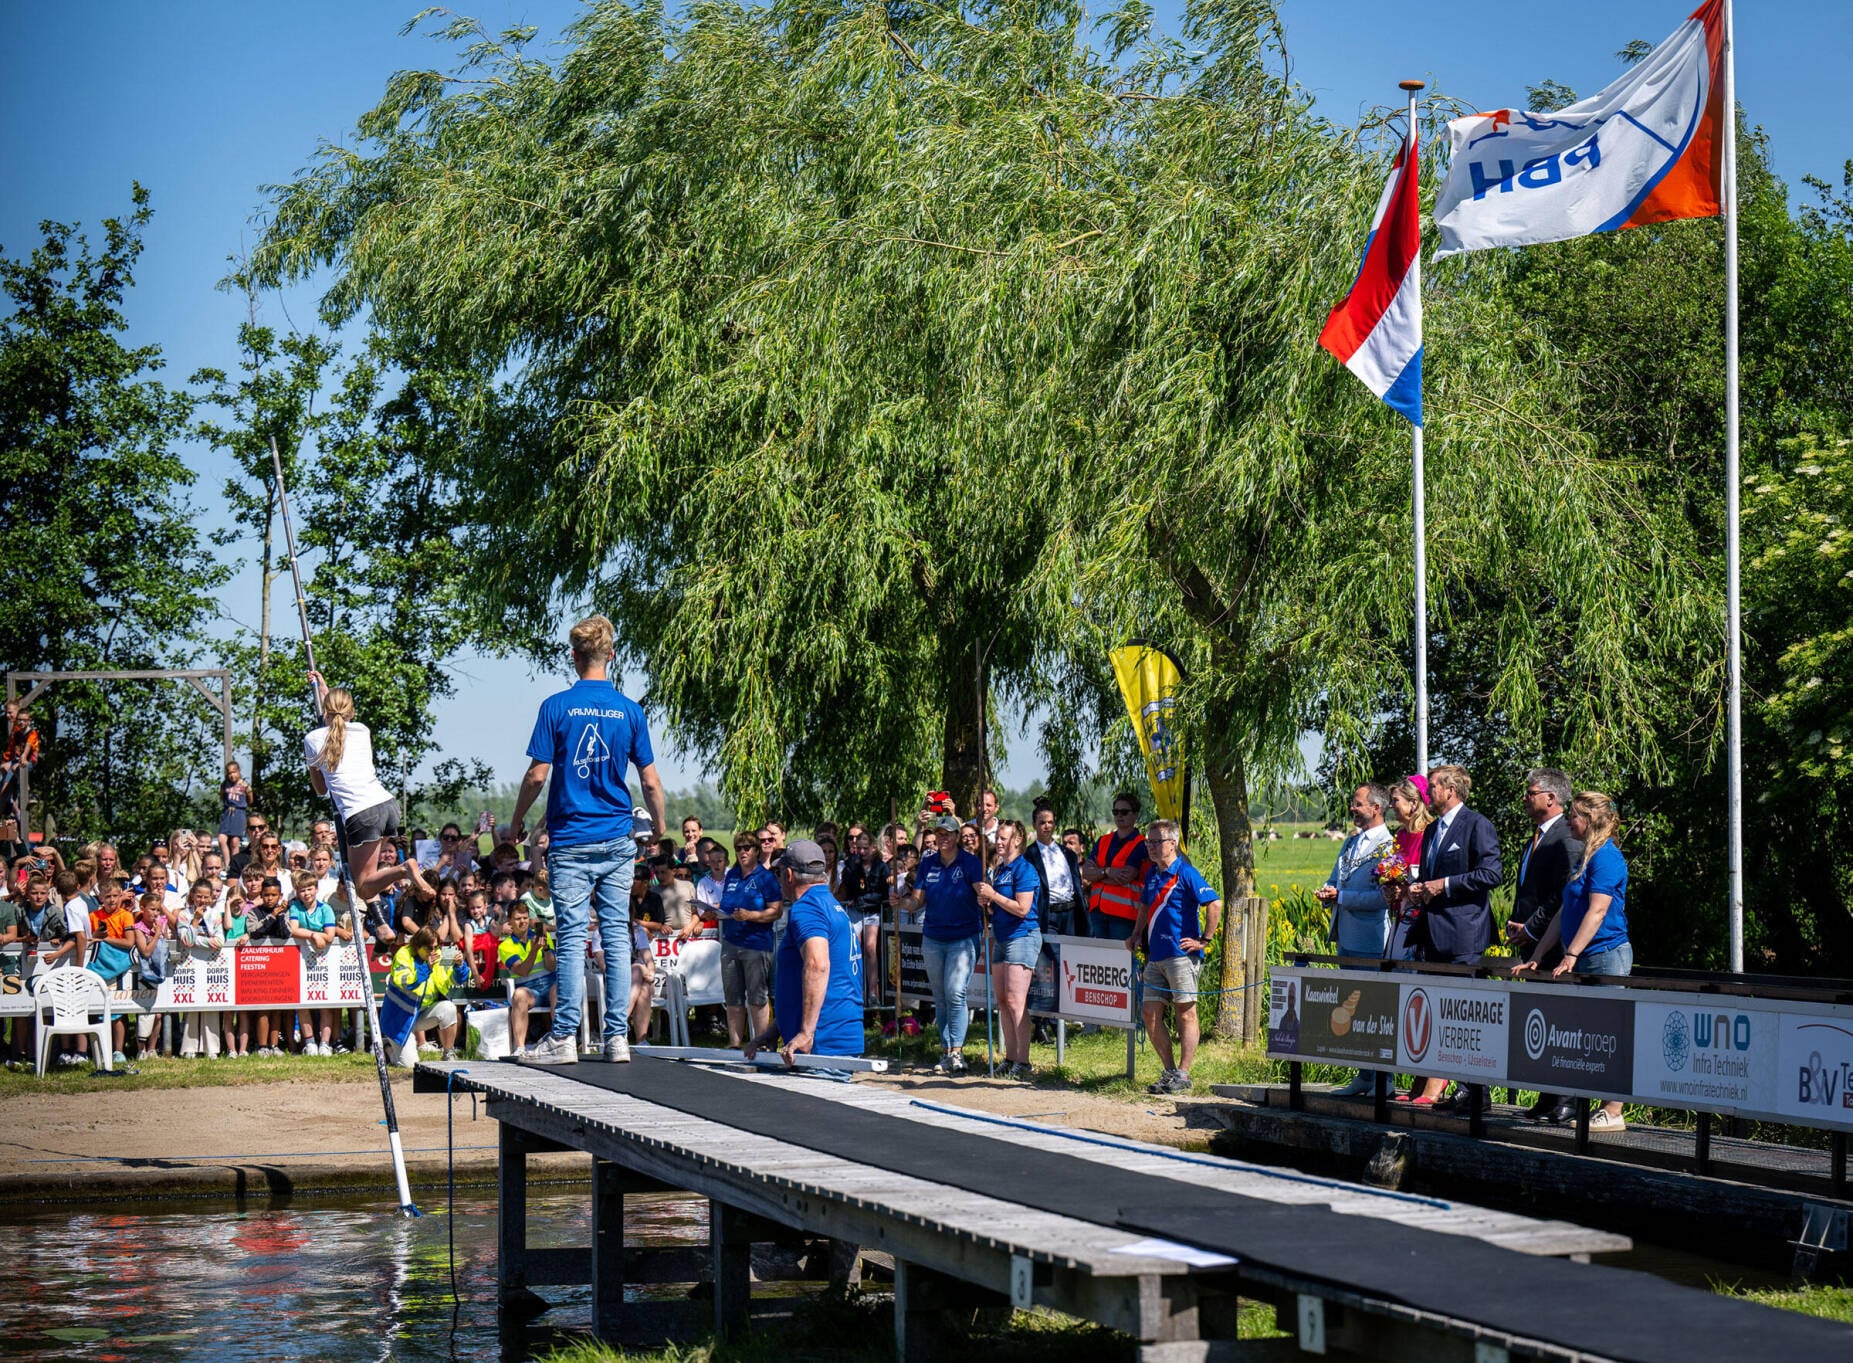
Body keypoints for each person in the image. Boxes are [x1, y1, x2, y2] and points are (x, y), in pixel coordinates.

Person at [511, 614, 668, 1065]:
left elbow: (538, 774)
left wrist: (519, 820)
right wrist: (658, 827)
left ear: (574, 656)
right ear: (612, 654)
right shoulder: (630, 711)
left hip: (572, 839)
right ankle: (617, 1038)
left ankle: (564, 1037)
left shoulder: (556, 707)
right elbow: (651, 782)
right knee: (617, 936)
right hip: (618, 838)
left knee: (573, 935)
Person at [1514, 791, 1631, 1132]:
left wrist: (1571, 954)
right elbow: (1566, 911)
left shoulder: (1607, 858)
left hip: (1606, 955)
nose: (1568, 822)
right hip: (1585, 956)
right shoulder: (1585, 858)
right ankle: (1587, 1104)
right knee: (1586, 1034)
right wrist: (1537, 956)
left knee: (1609, 1033)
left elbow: (1597, 911)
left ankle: (1613, 1109)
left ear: (1590, 821)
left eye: (1574, 817)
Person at [1402, 764, 1503, 1106]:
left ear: (1450, 789)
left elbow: (1491, 873)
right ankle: (1450, 1085)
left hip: (1464, 934)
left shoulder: (1477, 824)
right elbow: (1431, 877)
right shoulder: (1432, 832)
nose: (1426, 794)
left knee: (1465, 1014)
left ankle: (1476, 1091)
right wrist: (1420, 890)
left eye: (1431, 788)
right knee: (1440, 1015)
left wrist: (1443, 886)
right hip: (1432, 935)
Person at [1504, 767, 1583, 1124]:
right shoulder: (1536, 836)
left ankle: (1568, 1098)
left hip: (1554, 947)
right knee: (1543, 1022)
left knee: (1562, 1020)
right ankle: (1547, 1096)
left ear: (1551, 798)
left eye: (1530, 792)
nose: (1525, 797)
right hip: (1532, 944)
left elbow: (1562, 894)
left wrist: (1533, 929)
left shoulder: (1566, 836)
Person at [745, 840, 864, 1062]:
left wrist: (806, 1033)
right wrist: (775, 1030)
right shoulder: (829, 903)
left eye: (779, 873)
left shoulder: (807, 908)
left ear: (789, 875)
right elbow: (799, 980)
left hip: (822, 1045)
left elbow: (817, 966)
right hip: (833, 1039)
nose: (778, 879)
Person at [1128, 819, 1221, 1096]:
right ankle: (1169, 1070)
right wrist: (1136, 934)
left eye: (1157, 842)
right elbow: (1145, 906)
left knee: (1186, 1012)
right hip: (1155, 956)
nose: (1151, 847)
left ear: (1173, 843)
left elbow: (1214, 903)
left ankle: (1184, 1072)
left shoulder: (1186, 873)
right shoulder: (1152, 875)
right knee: (1149, 1014)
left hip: (1182, 956)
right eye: (1149, 842)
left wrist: (1205, 939)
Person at [1313, 784, 1395, 1097]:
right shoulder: (1349, 843)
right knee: (1354, 1011)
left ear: (1376, 808)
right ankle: (1363, 1074)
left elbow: (1384, 898)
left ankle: (1383, 1079)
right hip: (1345, 936)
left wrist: (1342, 896)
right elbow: (1336, 879)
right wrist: (1327, 892)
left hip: (1371, 938)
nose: (1352, 808)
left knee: (1375, 1010)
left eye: (1358, 804)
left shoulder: (1388, 846)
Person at [304, 677, 412, 901]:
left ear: (325, 711)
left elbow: (321, 789)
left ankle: (404, 869)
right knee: (369, 876)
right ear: (351, 712)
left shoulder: (313, 739)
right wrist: (324, 688)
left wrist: (317, 768)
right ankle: (385, 909)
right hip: (386, 805)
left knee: (362, 887)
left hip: (361, 814)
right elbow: (338, 722)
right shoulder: (362, 730)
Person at [900, 814, 985, 1075]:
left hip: (963, 936)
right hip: (933, 937)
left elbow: (983, 892)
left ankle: (957, 1052)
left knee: (955, 992)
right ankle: (946, 1050)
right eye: (939, 833)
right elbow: (917, 901)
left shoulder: (971, 863)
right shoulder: (928, 865)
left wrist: (986, 897)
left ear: (957, 836)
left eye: (949, 833)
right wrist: (902, 901)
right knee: (941, 997)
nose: (944, 837)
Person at [976, 819, 1041, 1079]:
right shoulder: (1000, 869)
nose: (998, 842)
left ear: (1017, 840)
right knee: (1003, 1001)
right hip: (1001, 936)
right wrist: (987, 903)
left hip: (1022, 936)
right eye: (997, 838)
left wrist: (993, 896)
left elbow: (1023, 908)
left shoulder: (1024, 869)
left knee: (1015, 1001)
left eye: (1003, 838)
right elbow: (1000, 906)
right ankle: (1011, 1057)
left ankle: (1023, 1060)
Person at [718, 832, 782, 1047]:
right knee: (733, 997)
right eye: (738, 848)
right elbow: (727, 904)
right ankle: (735, 1043)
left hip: (755, 943)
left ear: (756, 850)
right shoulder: (732, 875)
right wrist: (713, 911)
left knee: (757, 996)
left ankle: (761, 1042)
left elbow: (776, 911)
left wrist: (751, 915)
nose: (742, 852)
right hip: (730, 941)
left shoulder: (766, 878)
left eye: (747, 847)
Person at [388, 927, 466, 1066]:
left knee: (448, 1008)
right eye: (429, 948)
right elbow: (406, 983)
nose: (433, 951)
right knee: (409, 1065)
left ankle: (448, 1053)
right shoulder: (403, 955)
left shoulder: (441, 954)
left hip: (420, 1015)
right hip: (398, 1019)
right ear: (417, 946)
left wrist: (460, 966)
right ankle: (388, 1050)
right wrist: (426, 969)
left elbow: (457, 980)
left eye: (436, 947)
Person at [1082, 792, 1148, 940]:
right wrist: (1108, 872)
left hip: (1123, 914)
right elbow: (1086, 872)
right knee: (1099, 959)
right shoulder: (1103, 840)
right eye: (1115, 812)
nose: (1119, 815)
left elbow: (1125, 877)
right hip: (1097, 911)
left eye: (1124, 812)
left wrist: (1098, 875)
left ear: (1135, 814)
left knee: (1123, 960)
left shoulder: (1141, 844)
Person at [1382, 775, 1431, 960]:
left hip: (1420, 919)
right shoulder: (1401, 835)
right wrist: (1388, 888)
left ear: (1413, 803)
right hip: (1400, 915)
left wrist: (1404, 890)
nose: (1391, 805)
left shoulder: (1429, 833)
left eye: (1395, 800)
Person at [838, 830, 889, 1004]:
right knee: (855, 948)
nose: (862, 852)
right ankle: (856, 989)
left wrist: (863, 900)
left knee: (870, 948)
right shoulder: (852, 865)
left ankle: (873, 992)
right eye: (858, 848)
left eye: (865, 848)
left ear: (873, 848)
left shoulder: (881, 867)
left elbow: (883, 893)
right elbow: (849, 886)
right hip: (856, 910)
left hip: (872, 910)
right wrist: (852, 864)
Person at [500, 901, 557, 1054]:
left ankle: (560, 1041)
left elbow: (552, 966)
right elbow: (522, 971)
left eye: (525, 918)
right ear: (510, 921)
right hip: (530, 990)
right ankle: (520, 1048)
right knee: (518, 995)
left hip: (550, 984)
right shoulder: (505, 945)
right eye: (518, 918)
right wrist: (533, 951)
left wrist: (545, 949)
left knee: (559, 989)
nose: (522, 922)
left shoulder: (541, 935)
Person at [1029, 802, 1084, 938]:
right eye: (1042, 823)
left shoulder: (1068, 854)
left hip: (1070, 913)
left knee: (1070, 956)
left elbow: (1077, 885)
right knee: (1056, 955)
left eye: (1050, 822)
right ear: (1034, 824)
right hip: (1048, 914)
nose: (1047, 826)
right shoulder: (1029, 856)